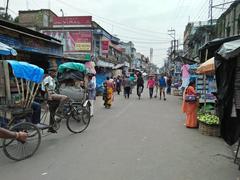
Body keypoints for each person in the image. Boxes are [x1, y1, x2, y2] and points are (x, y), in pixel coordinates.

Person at [41, 68, 69, 133]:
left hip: (52, 94)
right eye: (54, 72)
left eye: (55, 72)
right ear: (50, 72)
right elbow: (46, 87)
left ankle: (51, 127)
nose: (55, 74)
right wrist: (49, 96)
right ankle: (59, 112)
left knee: (52, 111)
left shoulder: (53, 80)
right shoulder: (47, 78)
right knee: (65, 98)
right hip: (49, 94)